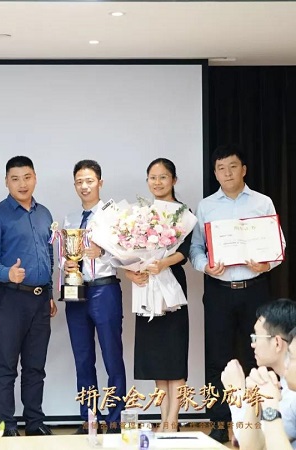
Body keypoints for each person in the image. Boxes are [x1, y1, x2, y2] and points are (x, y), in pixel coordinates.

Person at [190, 145, 286, 443]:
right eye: (221, 168)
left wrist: (267, 263)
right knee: (217, 357)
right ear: (215, 173)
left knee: (260, 356)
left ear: (243, 169)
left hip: (255, 290)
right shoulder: (206, 206)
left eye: (232, 166)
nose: (227, 173)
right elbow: (196, 248)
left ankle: (261, 421)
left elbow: (279, 246)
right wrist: (206, 266)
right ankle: (219, 422)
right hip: (219, 291)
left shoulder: (262, 202)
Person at [0, 155, 57, 437]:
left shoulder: (44, 214)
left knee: (36, 366)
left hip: (40, 300)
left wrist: (49, 291)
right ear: (6, 182)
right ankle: (7, 424)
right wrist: (6, 273)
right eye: (15, 179)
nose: (22, 184)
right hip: (10, 298)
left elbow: (49, 254)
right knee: (7, 365)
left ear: (35, 178)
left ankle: (34, 422)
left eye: (27, 177)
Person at [126, 158, 191, 432]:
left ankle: (173, 420)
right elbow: (128, 253)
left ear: (174, 180)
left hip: (172, 285)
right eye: (152, 177)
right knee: (156, 358)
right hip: (147, 286)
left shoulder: (184, 214)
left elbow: (185, 252)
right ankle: (163, 418)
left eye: (163, 177)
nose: (157, 182)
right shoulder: (141, 214)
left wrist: (163, 263)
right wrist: (132, 272)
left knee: (174, 355)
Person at [62, 160, 126, 434]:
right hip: (76, 292)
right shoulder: (70, 219)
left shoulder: (114, 215)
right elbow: (64, 255)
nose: (84, 186)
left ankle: (115, 418)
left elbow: (127, 253)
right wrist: (67, 264)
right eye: (79, 182)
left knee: (112, 356)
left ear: (100, 182)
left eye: (89, 181)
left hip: (104, 288)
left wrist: (104, 252)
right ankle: (89, 418)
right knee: (83, 358)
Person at [221, 298, 296, 449]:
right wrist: (253, 400)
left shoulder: (291, 396)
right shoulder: (283, 385)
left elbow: (253, 444)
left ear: (277, 343)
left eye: (256, 337)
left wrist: (236, 393)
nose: (252, 344)